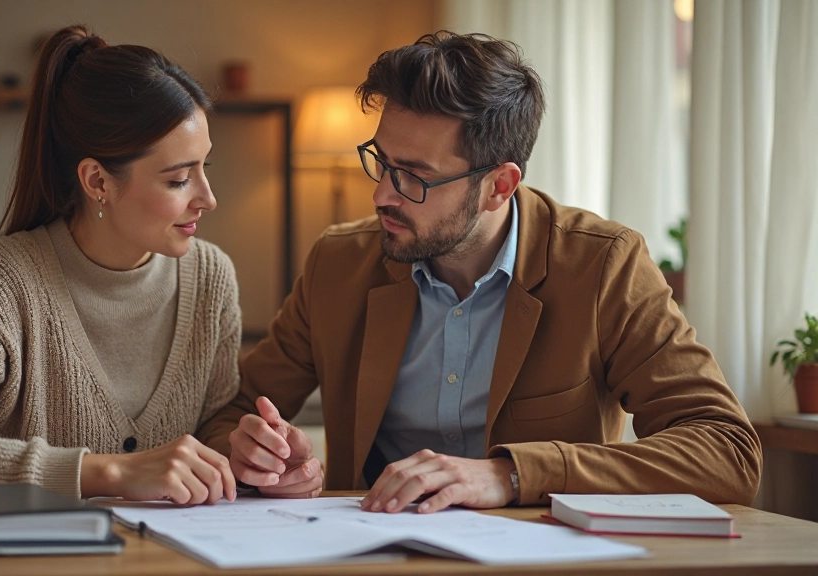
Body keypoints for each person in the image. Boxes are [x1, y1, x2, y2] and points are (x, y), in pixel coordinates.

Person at [197, 31, 762, 512]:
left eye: (413, 177)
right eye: (381, 162)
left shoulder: (603, 266)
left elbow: (727, 450)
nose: (381, 195)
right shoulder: (339, 263)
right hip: (370, 554)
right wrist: (256, 457)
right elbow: (234, 413)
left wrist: (510, 474)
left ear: (500, 186)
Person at [0, 25, 239, 506]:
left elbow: (215, 421)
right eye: (178, 180)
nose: (208, 199)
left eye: (204, 168)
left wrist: (250, 456)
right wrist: (111, 471)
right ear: (97, 182)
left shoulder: (211, 276)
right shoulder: (3, 279)